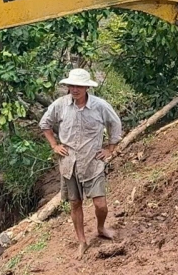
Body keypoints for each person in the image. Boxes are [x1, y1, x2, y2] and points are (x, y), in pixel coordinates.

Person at [40, 68, 124, 251]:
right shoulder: (60, 105)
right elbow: (45, 124)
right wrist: (54, 145)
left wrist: (110, 148)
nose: (75, 89)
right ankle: (82, 240)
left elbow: (115, 123)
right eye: (72, 86)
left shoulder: (100, 106)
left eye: (79, 86)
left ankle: (101, 228)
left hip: (93, 162)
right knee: (75, 203)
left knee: (100, 204)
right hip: (69, 163)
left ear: (87, 87)